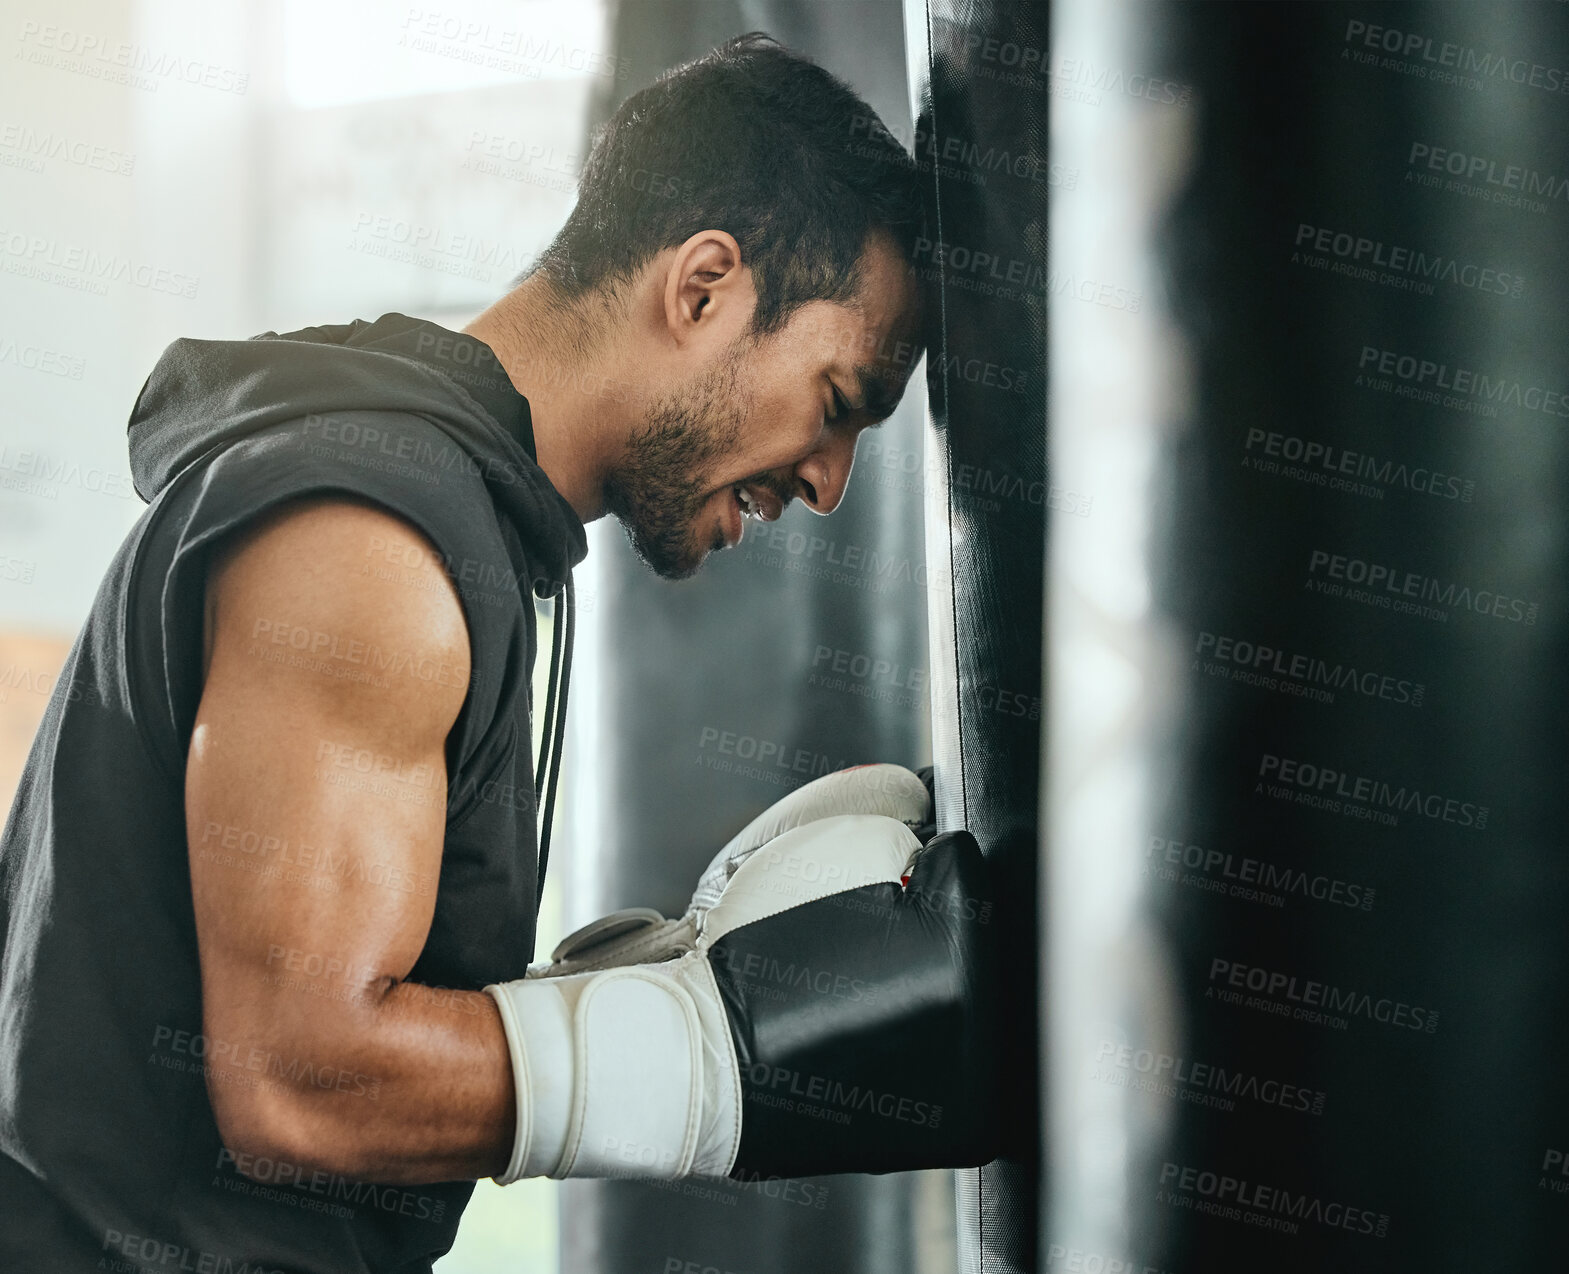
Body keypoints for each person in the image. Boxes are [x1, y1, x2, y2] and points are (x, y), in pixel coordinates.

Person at [0, 33, 993, 1274]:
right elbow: (298, 1083)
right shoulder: (372, 539)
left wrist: (642, 985)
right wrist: (707, 1048)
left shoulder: (454, 516)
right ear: (703, 288)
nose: (832, 484)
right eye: (839, 402)